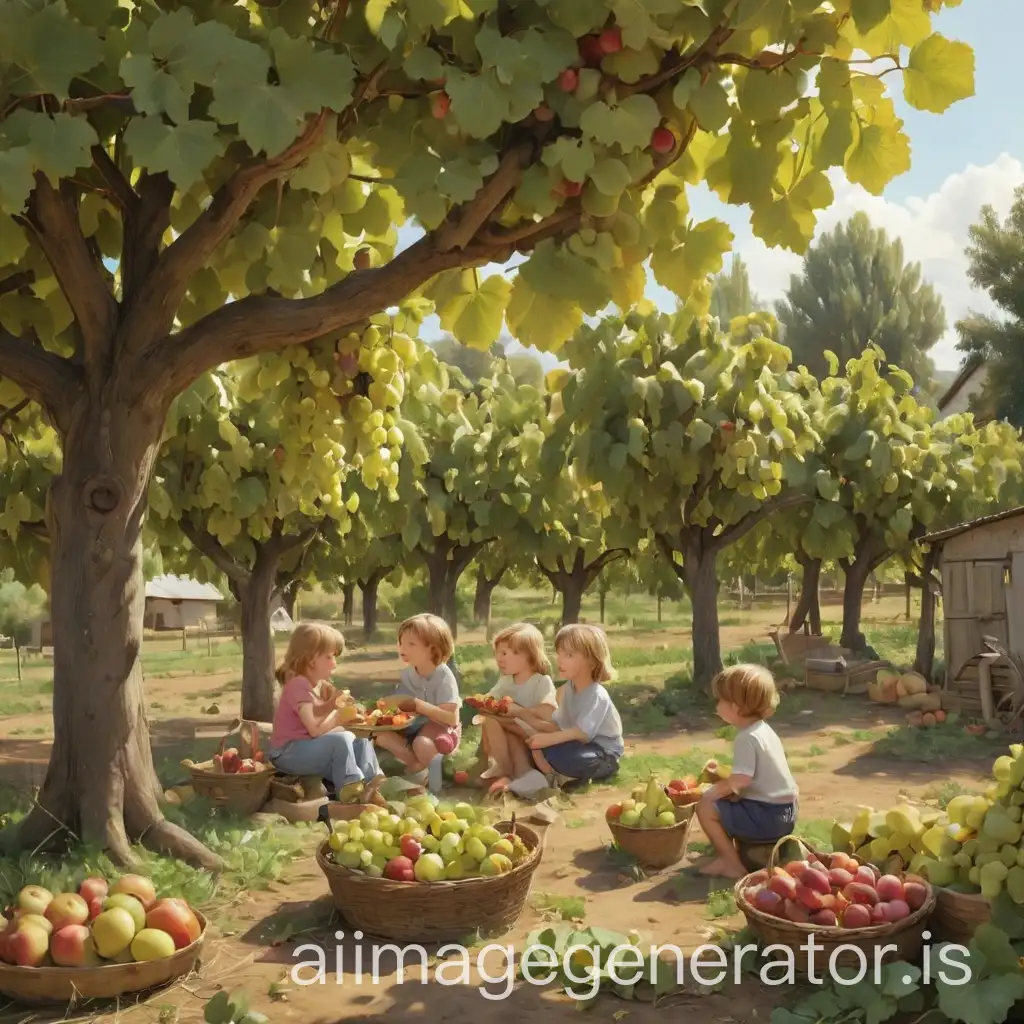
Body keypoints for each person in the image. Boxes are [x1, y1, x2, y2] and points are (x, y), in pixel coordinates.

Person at [695, 663, 799, 879]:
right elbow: (755, 778)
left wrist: (711, 792)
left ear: (736, 707)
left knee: (705, 807)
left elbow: (741, 780)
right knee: (728, 801)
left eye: (721, 700)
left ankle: (731, 863)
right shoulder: (764, 731)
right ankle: (734, 855)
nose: (717, 704)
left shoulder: (746, 738)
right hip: (786, 812)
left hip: (767, 816)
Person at [266, 622, 386, 805]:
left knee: (360, 738)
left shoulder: (317, 685)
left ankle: (374, 784)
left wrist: (341, 710)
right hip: (288, 752)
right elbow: (314, 728)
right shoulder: (298, 685)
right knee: (342, 739)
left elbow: (318, 716)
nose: (335, 663)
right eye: (329, 657)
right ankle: (351, 790)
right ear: (312, 659)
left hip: (307, 747)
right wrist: (337, 714)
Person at [512, 623, 623, 797]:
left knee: (564, 756)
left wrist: (547, 740)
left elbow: (582, 733)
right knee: (539, 748)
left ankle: (557, 774)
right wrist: (525, 719)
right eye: (560, 654)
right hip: (578, 745)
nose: (560, 660)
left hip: (602, 754)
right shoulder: (568, 689)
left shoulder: (596, 694)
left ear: (592, 661)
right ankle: (553, 773)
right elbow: (556, 722)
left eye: (569, 655)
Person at [374, 613, 461, 793]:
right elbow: (403, 705)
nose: (402, 648)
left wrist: (418, 705)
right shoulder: (407, 674)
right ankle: (418, 766)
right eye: (401, 643)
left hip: (439, 726)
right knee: (381, 736)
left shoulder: (443, 676)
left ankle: (439, 779)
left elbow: (450, 718)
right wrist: (389, 708)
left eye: (411, 644)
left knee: (422, 744)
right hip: (414, 725)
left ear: (433, 650)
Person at [476, 622, 557, 798]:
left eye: (505, 653)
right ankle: (516, 775)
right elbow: (488, 701)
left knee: (498, 724)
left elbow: (548, 712)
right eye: (498, 653)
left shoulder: (540, 681)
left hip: (532, 736)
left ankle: (505, 771)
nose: (499, 658)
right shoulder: (506, 681)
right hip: (511, 734)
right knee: (490, 720)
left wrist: (518, 711)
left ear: (528, 655)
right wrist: (488, 705)